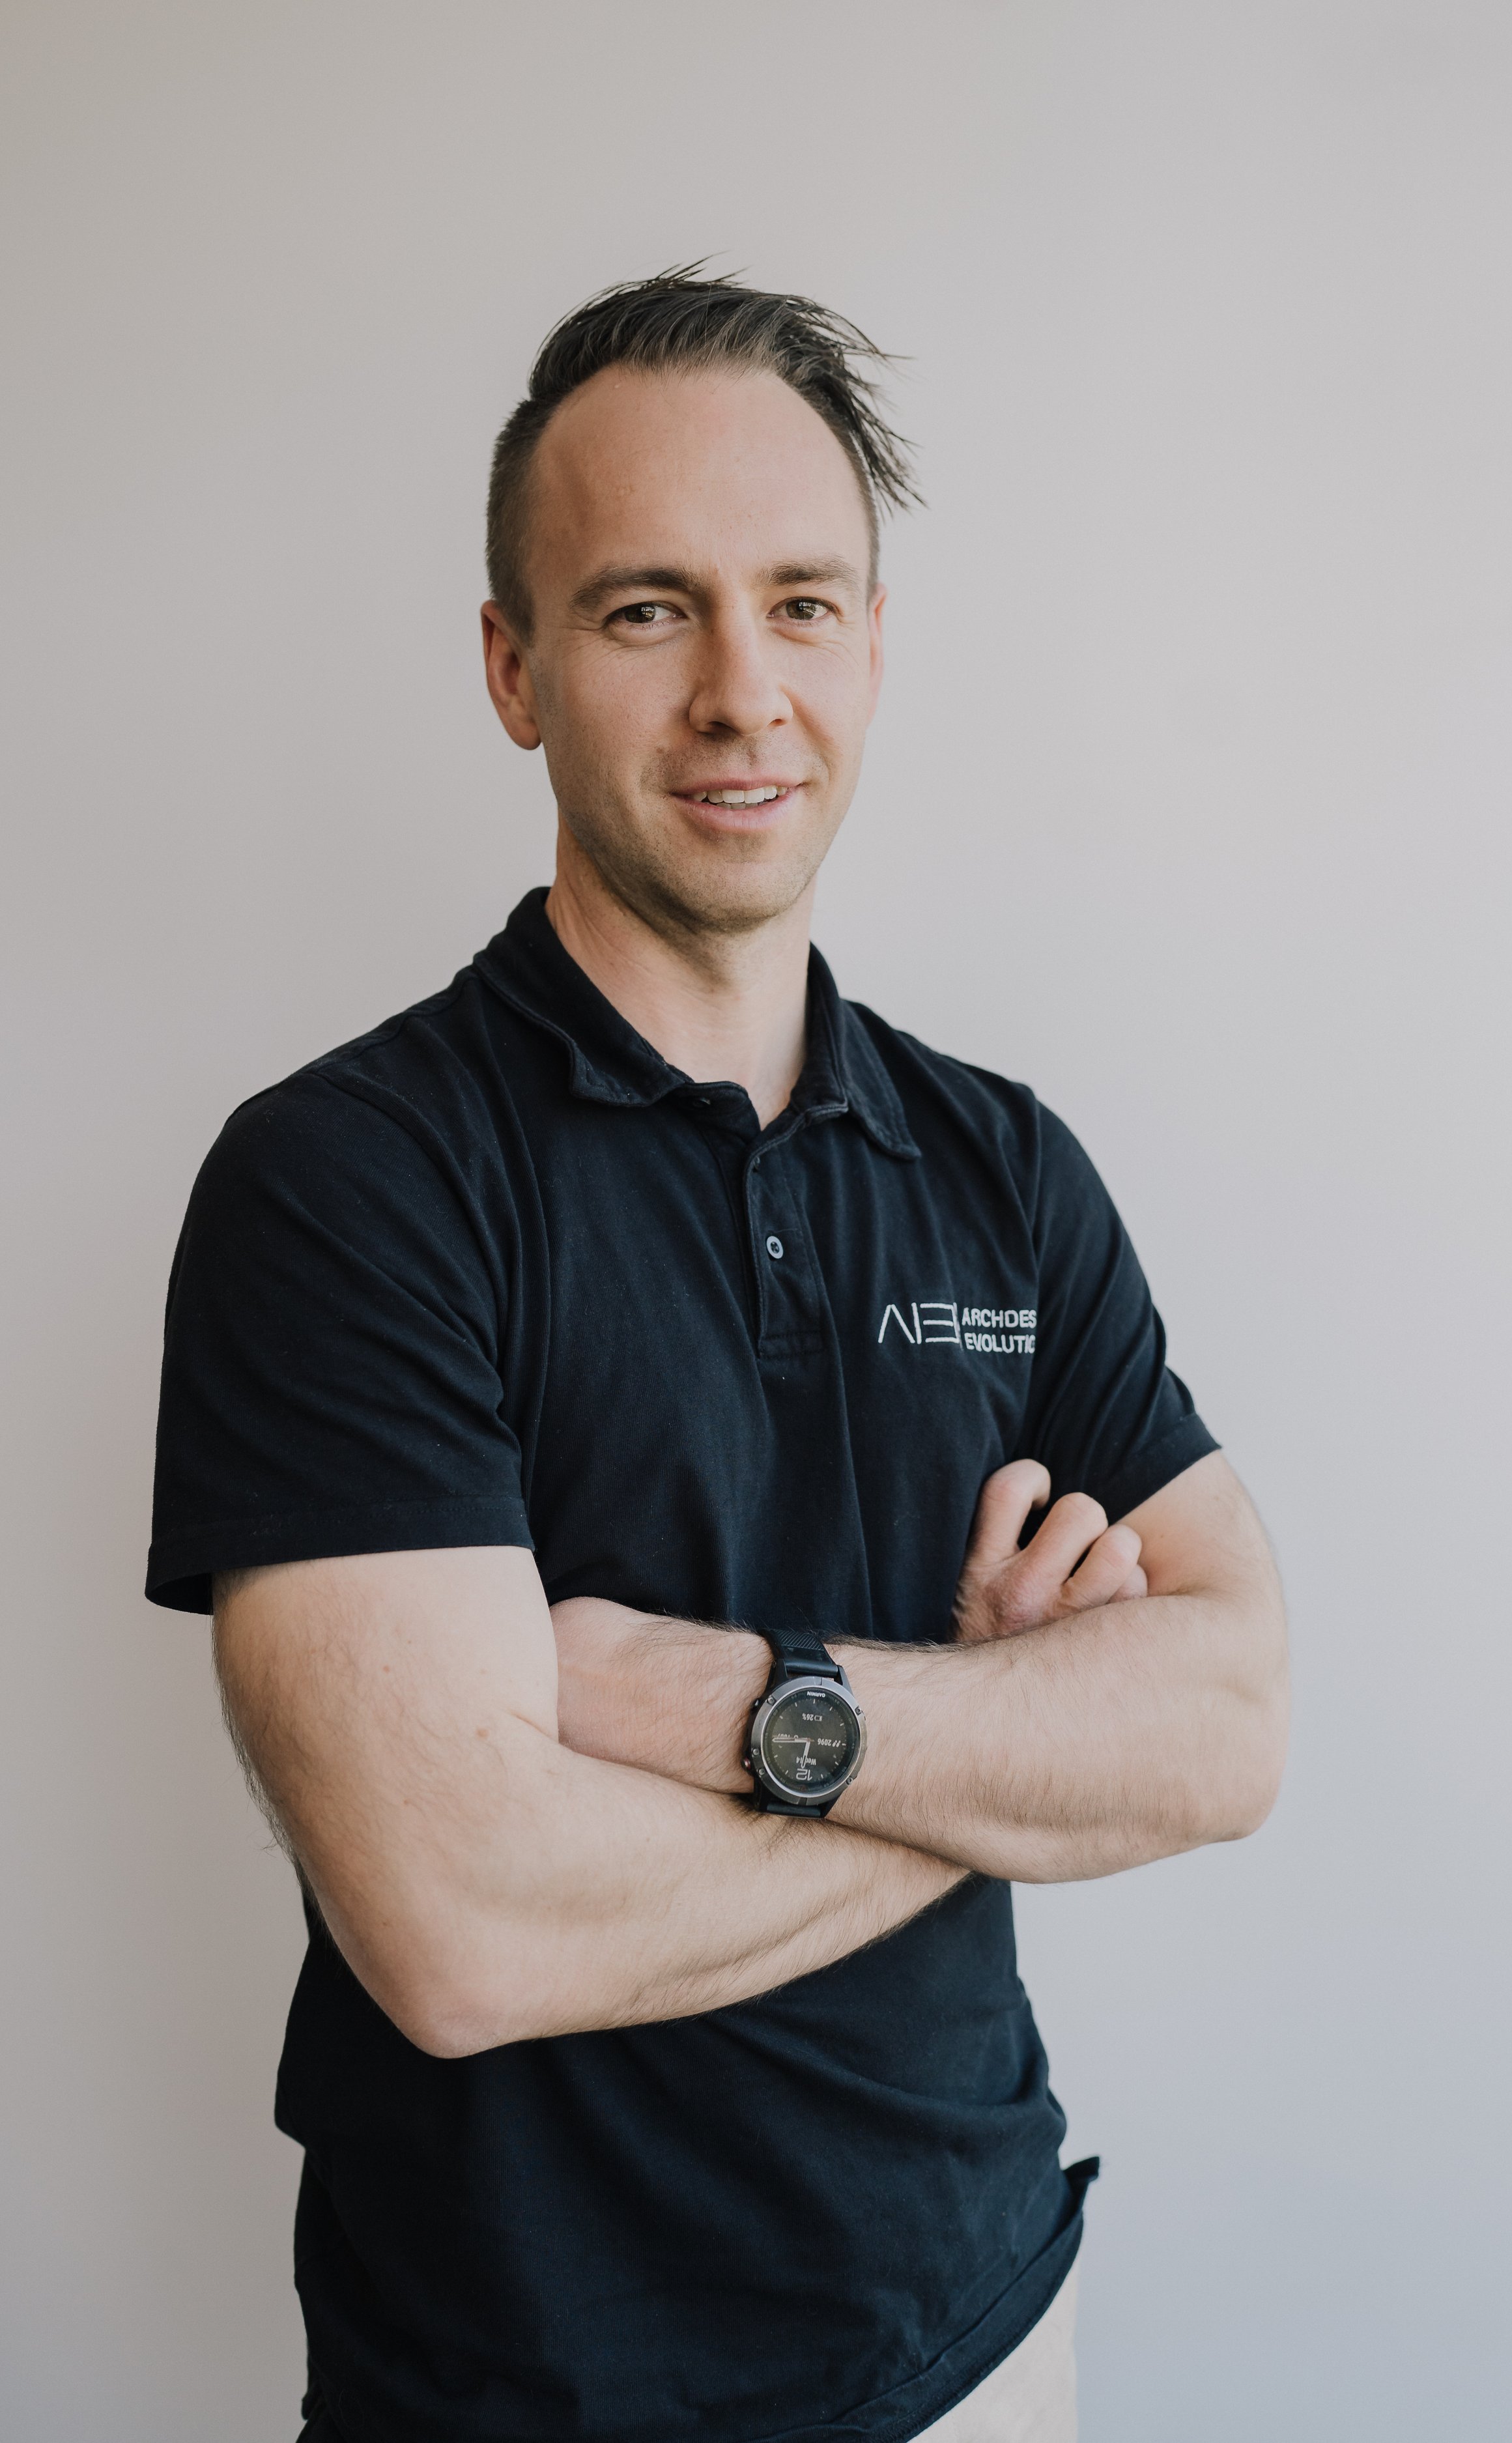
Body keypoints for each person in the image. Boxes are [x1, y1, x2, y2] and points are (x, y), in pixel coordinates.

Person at [147, 270, 1289, 2443]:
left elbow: (1229, 1722)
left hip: (981, 2338)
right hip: (522, 2388)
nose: (743, 693)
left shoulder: (1001, 1163)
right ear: (513, 667)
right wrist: (1008, 1762)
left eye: (803, 603)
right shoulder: (346, 1183)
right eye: (647, 610)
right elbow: (461, 1918)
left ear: (873, 643)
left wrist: (724, 1703)